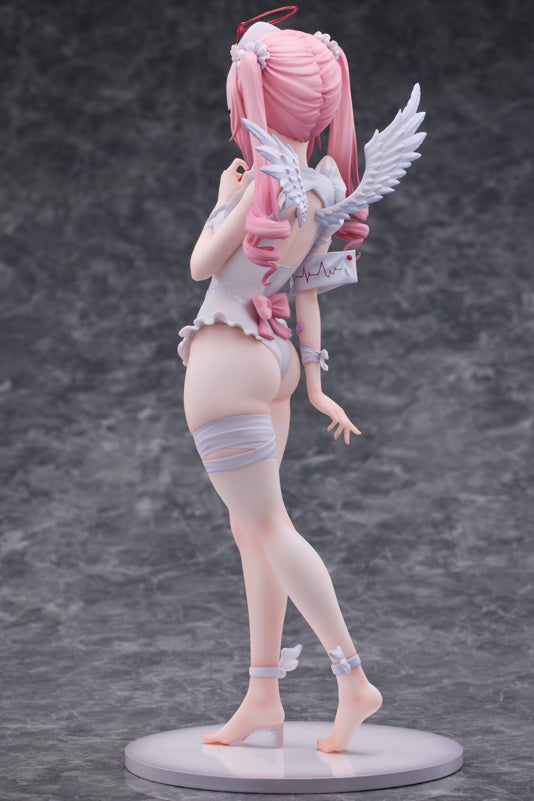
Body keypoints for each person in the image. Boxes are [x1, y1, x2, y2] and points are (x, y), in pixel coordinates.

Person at [177, 9, 424, 753]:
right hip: (279, 359)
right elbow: (308, 290)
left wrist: (225, 198)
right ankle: (263, 695)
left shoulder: (259, 182)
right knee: (251, 528)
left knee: (270, 527)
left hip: (229, 357)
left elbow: (201, 264)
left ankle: (354, 679)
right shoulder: (324, 185)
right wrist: (314, 382)